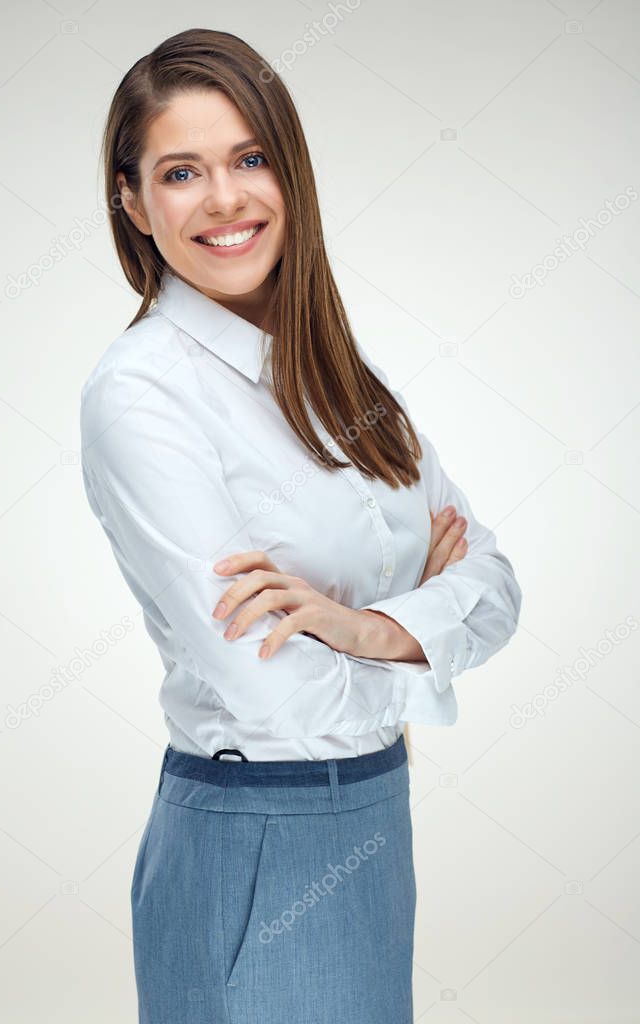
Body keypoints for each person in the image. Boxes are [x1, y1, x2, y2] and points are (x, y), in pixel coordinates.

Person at [79, 27, 522, 1024]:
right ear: (134, 201)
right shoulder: (144, 394)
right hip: (255, 834)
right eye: (182, 170)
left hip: (370, 815)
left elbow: (495, 584)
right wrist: (424, 627)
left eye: (249, 158)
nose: (225, 198)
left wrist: (363, 627)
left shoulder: (333, 374)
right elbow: (270, 692)